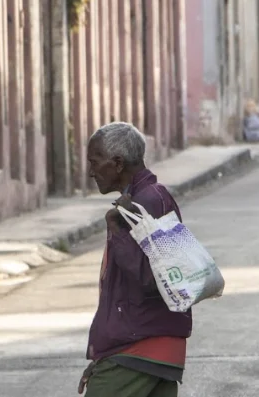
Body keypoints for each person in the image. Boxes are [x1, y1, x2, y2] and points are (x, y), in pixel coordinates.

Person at [78, 122, 192, 397]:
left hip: (139, 347)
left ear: (117, 163)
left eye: (95, 162)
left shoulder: (149, 201)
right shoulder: (147, 198)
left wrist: (117, 230)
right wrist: (100, 358)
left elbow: (160, 279)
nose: (91, 171)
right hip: (147, 348)